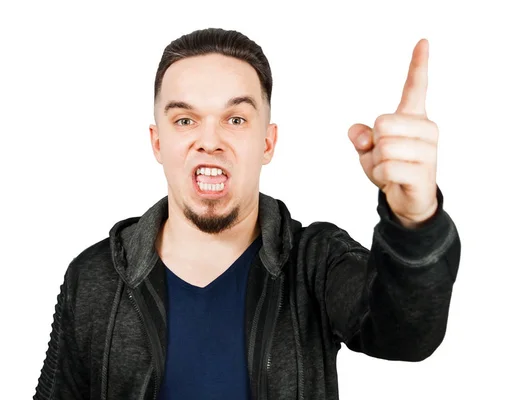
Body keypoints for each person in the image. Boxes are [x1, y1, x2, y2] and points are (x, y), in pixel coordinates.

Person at [33, 27, 461, 400]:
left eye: (235, 119)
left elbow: (406, 333)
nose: (210, 140)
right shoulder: (93, 277)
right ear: (157, 142)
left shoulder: (315, 262)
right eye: (185, 121)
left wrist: (413, 219)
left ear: (268, 143)